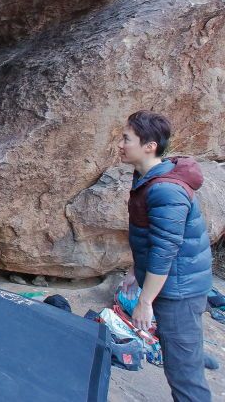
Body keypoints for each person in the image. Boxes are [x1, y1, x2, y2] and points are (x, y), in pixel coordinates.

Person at [118, 110, 213, 402]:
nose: (120, 145)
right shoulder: (146, 177)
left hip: (179, 291)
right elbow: (151, 235)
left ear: (149, 146)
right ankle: (191, 354)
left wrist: (145, 302)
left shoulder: (165, 190)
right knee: (182, 359)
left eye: (126, 139)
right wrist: (136, 270)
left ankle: (190, 360)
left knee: (184, 378)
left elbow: (165, 250)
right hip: (175, 284)